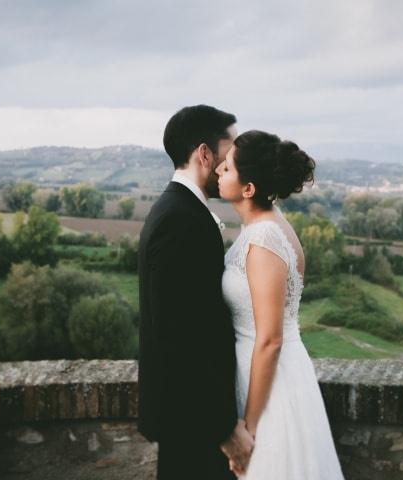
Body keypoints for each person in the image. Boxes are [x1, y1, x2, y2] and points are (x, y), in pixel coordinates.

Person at [216, 130, 345, 479]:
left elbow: (270, 339)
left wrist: (250, 426)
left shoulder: (265, 239)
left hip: (270, 390)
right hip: (272, 373)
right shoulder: (271, 226)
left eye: (226, 169)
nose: (217, 172)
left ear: (248, 188)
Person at [137, 105, 254, 479]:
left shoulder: (183, 211)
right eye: (230, 150)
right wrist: (223, 428)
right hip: (192, 420)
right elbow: (181, 336)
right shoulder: (179, 220)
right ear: (205, 153)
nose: (233, 160)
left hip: (191, 415)